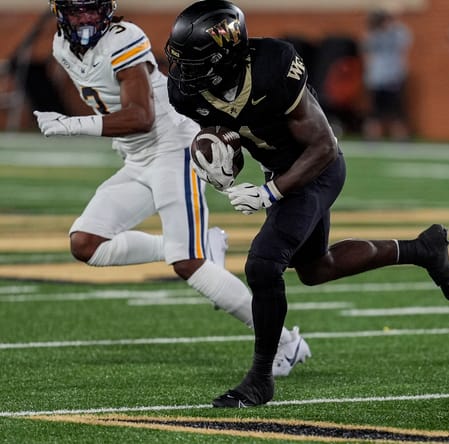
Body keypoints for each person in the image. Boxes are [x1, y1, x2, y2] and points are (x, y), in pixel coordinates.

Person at [165, 0, 449, 408]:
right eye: (182, 61)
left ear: (227, 54)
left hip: (317, 167)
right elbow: (222, 131)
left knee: (263, 265)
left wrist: (272, 192)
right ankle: (421, 249)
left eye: (196, 61)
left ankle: (260, 378)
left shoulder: (274, 65)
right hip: (281, 169)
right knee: (316, 269)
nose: (184, 72)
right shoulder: (186, 91)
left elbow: (324, 145)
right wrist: (217, 156)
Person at [33, 0, 310, 378]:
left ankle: (286, 344)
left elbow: (142, 117)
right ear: (60, 12)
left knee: (188, 264)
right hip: (137, 158)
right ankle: (203, 245)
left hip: (171, 146)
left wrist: (72, 126)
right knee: (86, 243)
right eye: (77, 11)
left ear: (108, 10)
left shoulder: (123, 39)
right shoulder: (60, 47)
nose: (85, 19)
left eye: (93, 10)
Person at [361, 8, 412, 141]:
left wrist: (392, 21)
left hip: (393, 76)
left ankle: (400, 137)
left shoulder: (396, 33)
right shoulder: (372, 35)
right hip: (376, 77)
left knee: (397, 110)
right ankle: (373, 137)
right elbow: (367, 51)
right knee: (374, 111)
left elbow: (405, 39)